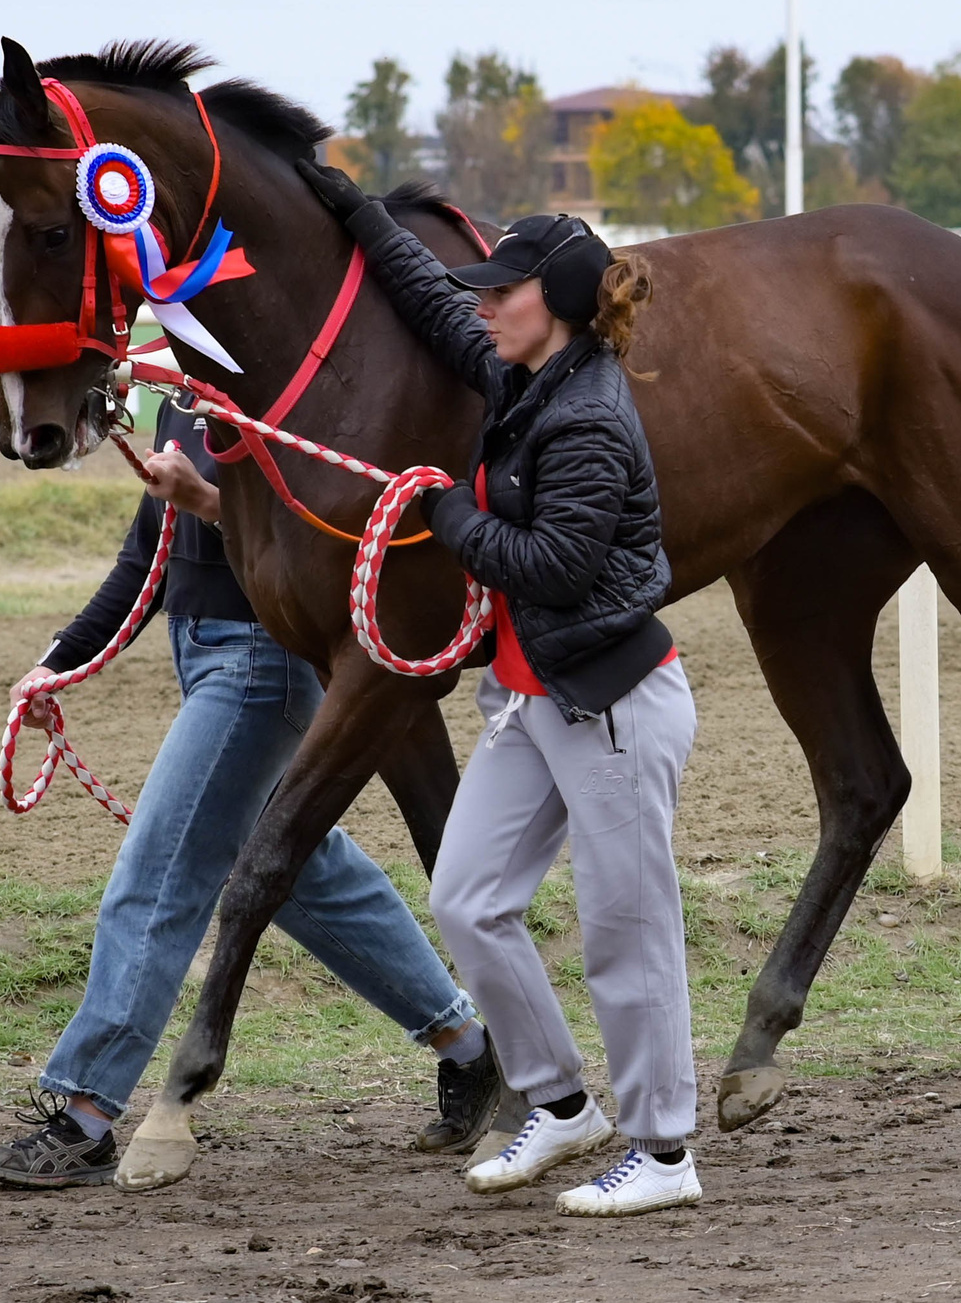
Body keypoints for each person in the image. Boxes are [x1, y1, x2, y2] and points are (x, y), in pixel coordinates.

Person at [301, 167, 703, 1219]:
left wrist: (443, 508)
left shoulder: (590, 420)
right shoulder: (523, 371)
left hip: (609, 705)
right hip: (537, 699)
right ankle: (562, 1101)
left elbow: (558, 565)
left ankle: (664, 1151)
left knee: (629, 929)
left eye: (502, 292)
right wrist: (358, 214)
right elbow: (437, 307)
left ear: (555, 306)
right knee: (468, 897)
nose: (482, 303)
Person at [0, 397, 503, 1188]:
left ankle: (86, 1113)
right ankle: (468, 1046)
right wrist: (59, 661)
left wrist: (209, 502)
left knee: (161, 871)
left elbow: (314, 536)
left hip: (261, 664)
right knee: (306, 875)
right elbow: (145, 556)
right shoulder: (178, 401)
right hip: (206, 659)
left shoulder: (279, 396)